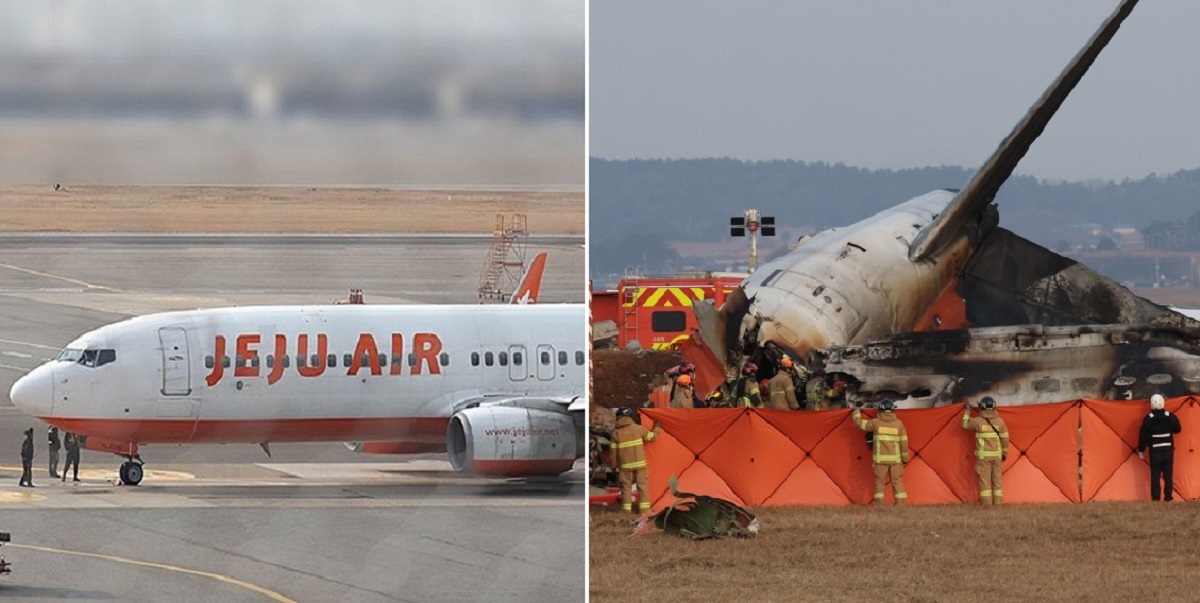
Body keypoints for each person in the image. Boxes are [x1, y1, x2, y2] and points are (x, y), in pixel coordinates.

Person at [853, 399, 909, 505]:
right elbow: (904, 442)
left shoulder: (876, 423)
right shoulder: (899, 424)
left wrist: (856, 410)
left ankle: (879, 504)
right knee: (897, 482)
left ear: (880, 410)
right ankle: (901, 504)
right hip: (895, 461)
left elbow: (859, 424)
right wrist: (905, 458)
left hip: (880, 461)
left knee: (879, 483)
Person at [609, 407, 661, 513]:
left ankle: (626, 512)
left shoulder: (616, 434)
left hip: (625, 466)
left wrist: (613, 467)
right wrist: (657, 428)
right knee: (642, 487)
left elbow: (613, 453)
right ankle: (644, 511)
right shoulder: (638, 429)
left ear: (618, 418)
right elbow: (652, 437)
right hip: (640, 464)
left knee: (626, 488)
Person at [962, 396, 1010, 506]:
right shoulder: (1000, 422)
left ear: (981, 407)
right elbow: (1005, 439)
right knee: (997, 482)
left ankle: (987, 506)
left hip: (984, 459)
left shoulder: (978, 421)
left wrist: (967, 411)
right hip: (997, 457)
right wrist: (1004, 454)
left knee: (985, 483)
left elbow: (965, 425)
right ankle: (998, 505)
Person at [1138, 393, 1181, 502]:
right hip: (1168, 451)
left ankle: (1156, 498)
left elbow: (1143, 435)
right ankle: (1168, 497)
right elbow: (1178, 429)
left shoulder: (1148, 419)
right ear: (1163, 402)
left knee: (1155, 476)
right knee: (1168, 475)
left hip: (1155, 452)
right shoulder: (1170, 416)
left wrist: (1141, 450)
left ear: (1151, 404)